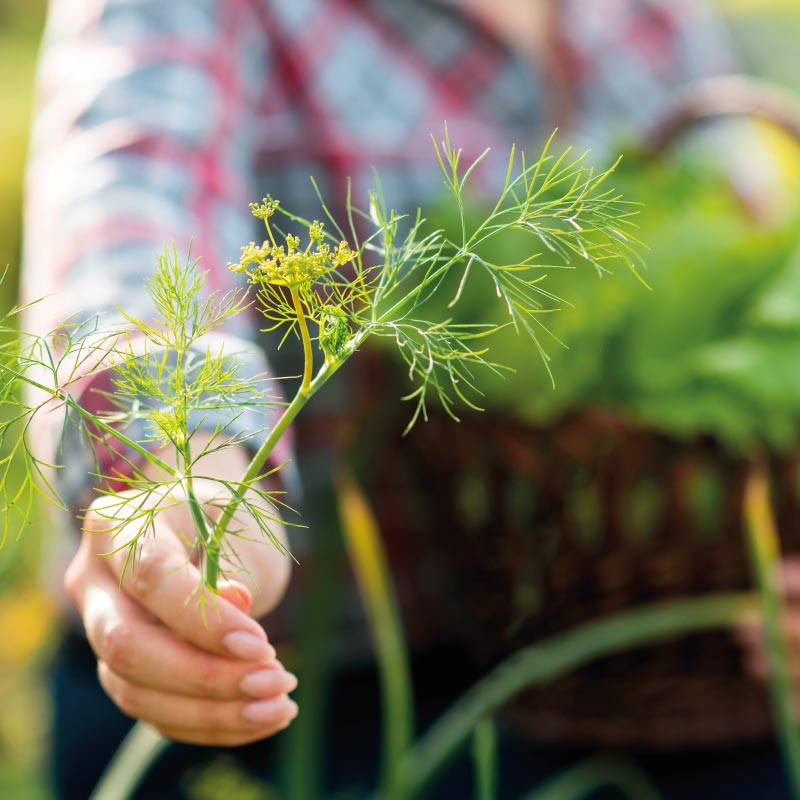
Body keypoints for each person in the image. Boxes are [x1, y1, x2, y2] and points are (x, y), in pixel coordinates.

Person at [22, 0, 794, 797]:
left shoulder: (656, 21)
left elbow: (754, 262)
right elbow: (129, 228)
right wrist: (185, 471)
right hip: (289, 675)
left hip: (640, 657)